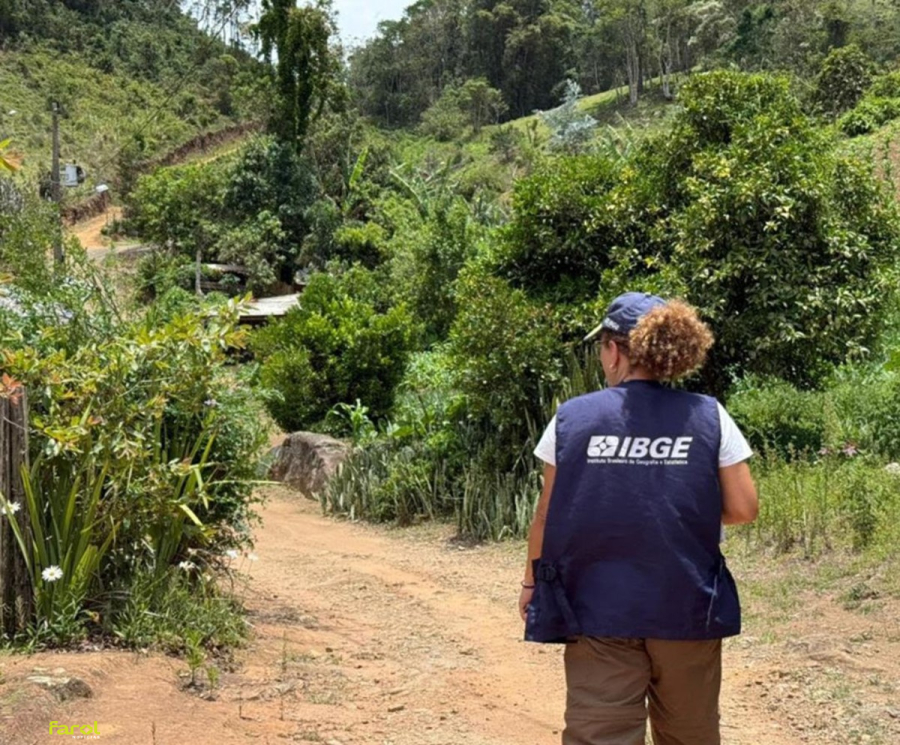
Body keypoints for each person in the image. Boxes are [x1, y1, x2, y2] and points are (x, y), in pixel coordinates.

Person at [519, 292, 759, 745]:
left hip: (597, 612)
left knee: (600, 735)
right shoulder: (709, 415)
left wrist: (532, 584)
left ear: (613, 351)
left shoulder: (573, 418)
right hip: (687, 609)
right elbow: (745, 508)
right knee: (690, 734)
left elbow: (547, 513)